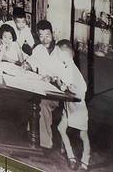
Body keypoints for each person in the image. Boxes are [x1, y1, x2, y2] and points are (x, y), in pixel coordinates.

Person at [27, 20, 66, 149]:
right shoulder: (38, 49)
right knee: (29, 97)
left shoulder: (61, 51)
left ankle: (45, 143)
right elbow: (30, 63)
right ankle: (31, 134)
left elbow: (65, 76)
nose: (44, 39)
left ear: (52, 34)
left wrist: (52, 78)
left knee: (42, 103)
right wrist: (26, 65)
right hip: (40, 87)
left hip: (56, 91)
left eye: (47, 35)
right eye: (41, 36)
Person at [56, 39, 90, 171]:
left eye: (58, 53)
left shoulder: (72, 69)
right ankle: (71, 157)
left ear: (65, 55)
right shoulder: (66, 66)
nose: (57, 55)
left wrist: (65, 86)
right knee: (61, 128)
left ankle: (85, 161)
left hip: (78, 108)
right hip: (68, 106)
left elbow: (80, 89)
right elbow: (62, 83)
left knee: (83, 135)